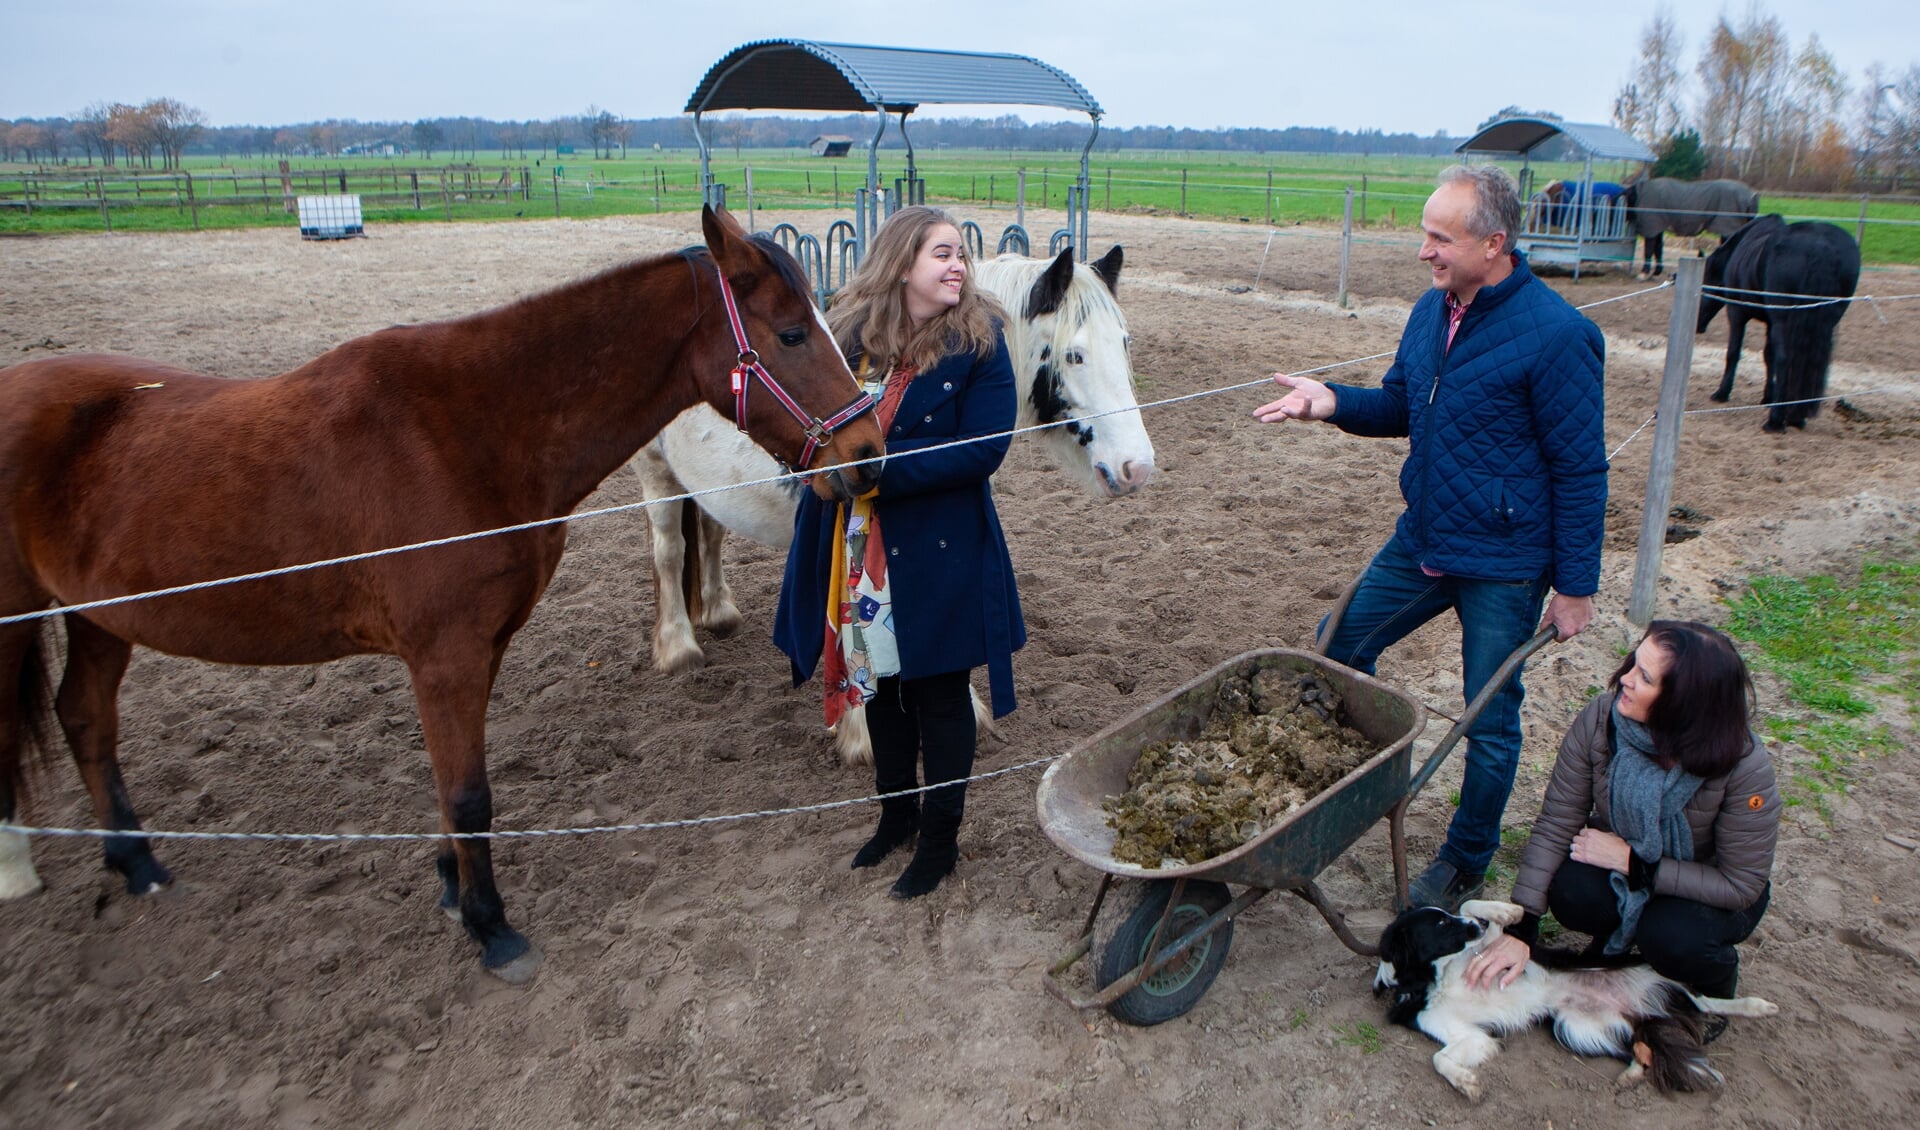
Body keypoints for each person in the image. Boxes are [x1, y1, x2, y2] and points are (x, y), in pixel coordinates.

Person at [1253, 164, 1608, 911]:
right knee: (1339, 645)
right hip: (1424, 539)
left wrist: (1575, 587)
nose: (1425, 251)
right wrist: (1331, 402)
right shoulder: (1430, 311)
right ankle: (1341, 786)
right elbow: (1400, 405)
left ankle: (1463, 859)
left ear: (1495, 243)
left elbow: (1581, 470)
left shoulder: (1560, 336)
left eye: (1441, 238)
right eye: (1425, 234)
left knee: (1489, 716)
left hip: (1506, 566)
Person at [774, 206, 1026, 900]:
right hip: (855, 548)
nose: (958, 266)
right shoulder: (847, 341)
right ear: (901, 262)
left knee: (939, 695)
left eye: (962, 255)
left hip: (937, 545)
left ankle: (940, 842)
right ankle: (896, 818)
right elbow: (804, 424)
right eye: (942, 253)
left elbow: (982, 451)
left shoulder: (982, 344)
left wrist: (871, 470)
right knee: (877, 688)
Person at [1465, 621, 1779, 1030]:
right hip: (1626, 865)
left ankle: (1713, 984)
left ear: (1683, 703)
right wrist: (1522, 928)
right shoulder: (1602, 719)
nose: (1625, 679)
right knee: (1571, 889)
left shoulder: (1743, 765)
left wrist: (1638, 865)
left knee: (1671, 936)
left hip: (1709, 893)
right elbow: (1558, 821)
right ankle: (1622, 945)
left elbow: (1740, 885)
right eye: (1634, 662)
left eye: (1645, 677)